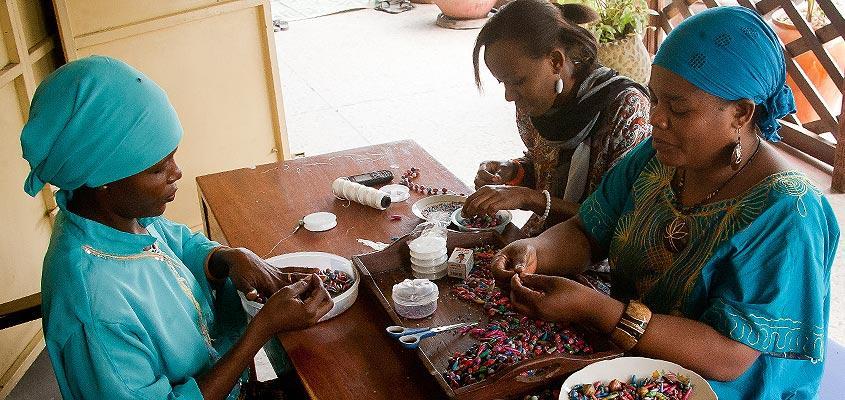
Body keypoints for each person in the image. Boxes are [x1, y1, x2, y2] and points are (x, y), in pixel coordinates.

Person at [491, 7, 838, 399]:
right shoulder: (655, 158)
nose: (656, 118)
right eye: (655, 99)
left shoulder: (787, 213)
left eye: (679, 108)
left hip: (723, 387)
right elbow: (587, 231)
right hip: (635, 356)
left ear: (740, 112)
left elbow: (729, 357)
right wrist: (535, 251)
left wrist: (600, 311)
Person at [22, 56, 333, 400]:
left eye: (172, 156)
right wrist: (260, 331)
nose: (177, 173)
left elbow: (179, 244)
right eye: (157, 168)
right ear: (102, 181)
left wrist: (228, 259)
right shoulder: (95, 307)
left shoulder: (111, 216)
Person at [464, 0, 651, 235]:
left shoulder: (626, 108)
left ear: (555, 61)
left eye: (517, 81)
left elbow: (620, 220)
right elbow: (547, 170)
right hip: (541, 241)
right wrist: (512, 171)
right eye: (503, 83)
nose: (509, 96)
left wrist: (531, 199)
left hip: (597, 258)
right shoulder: (533, 106)